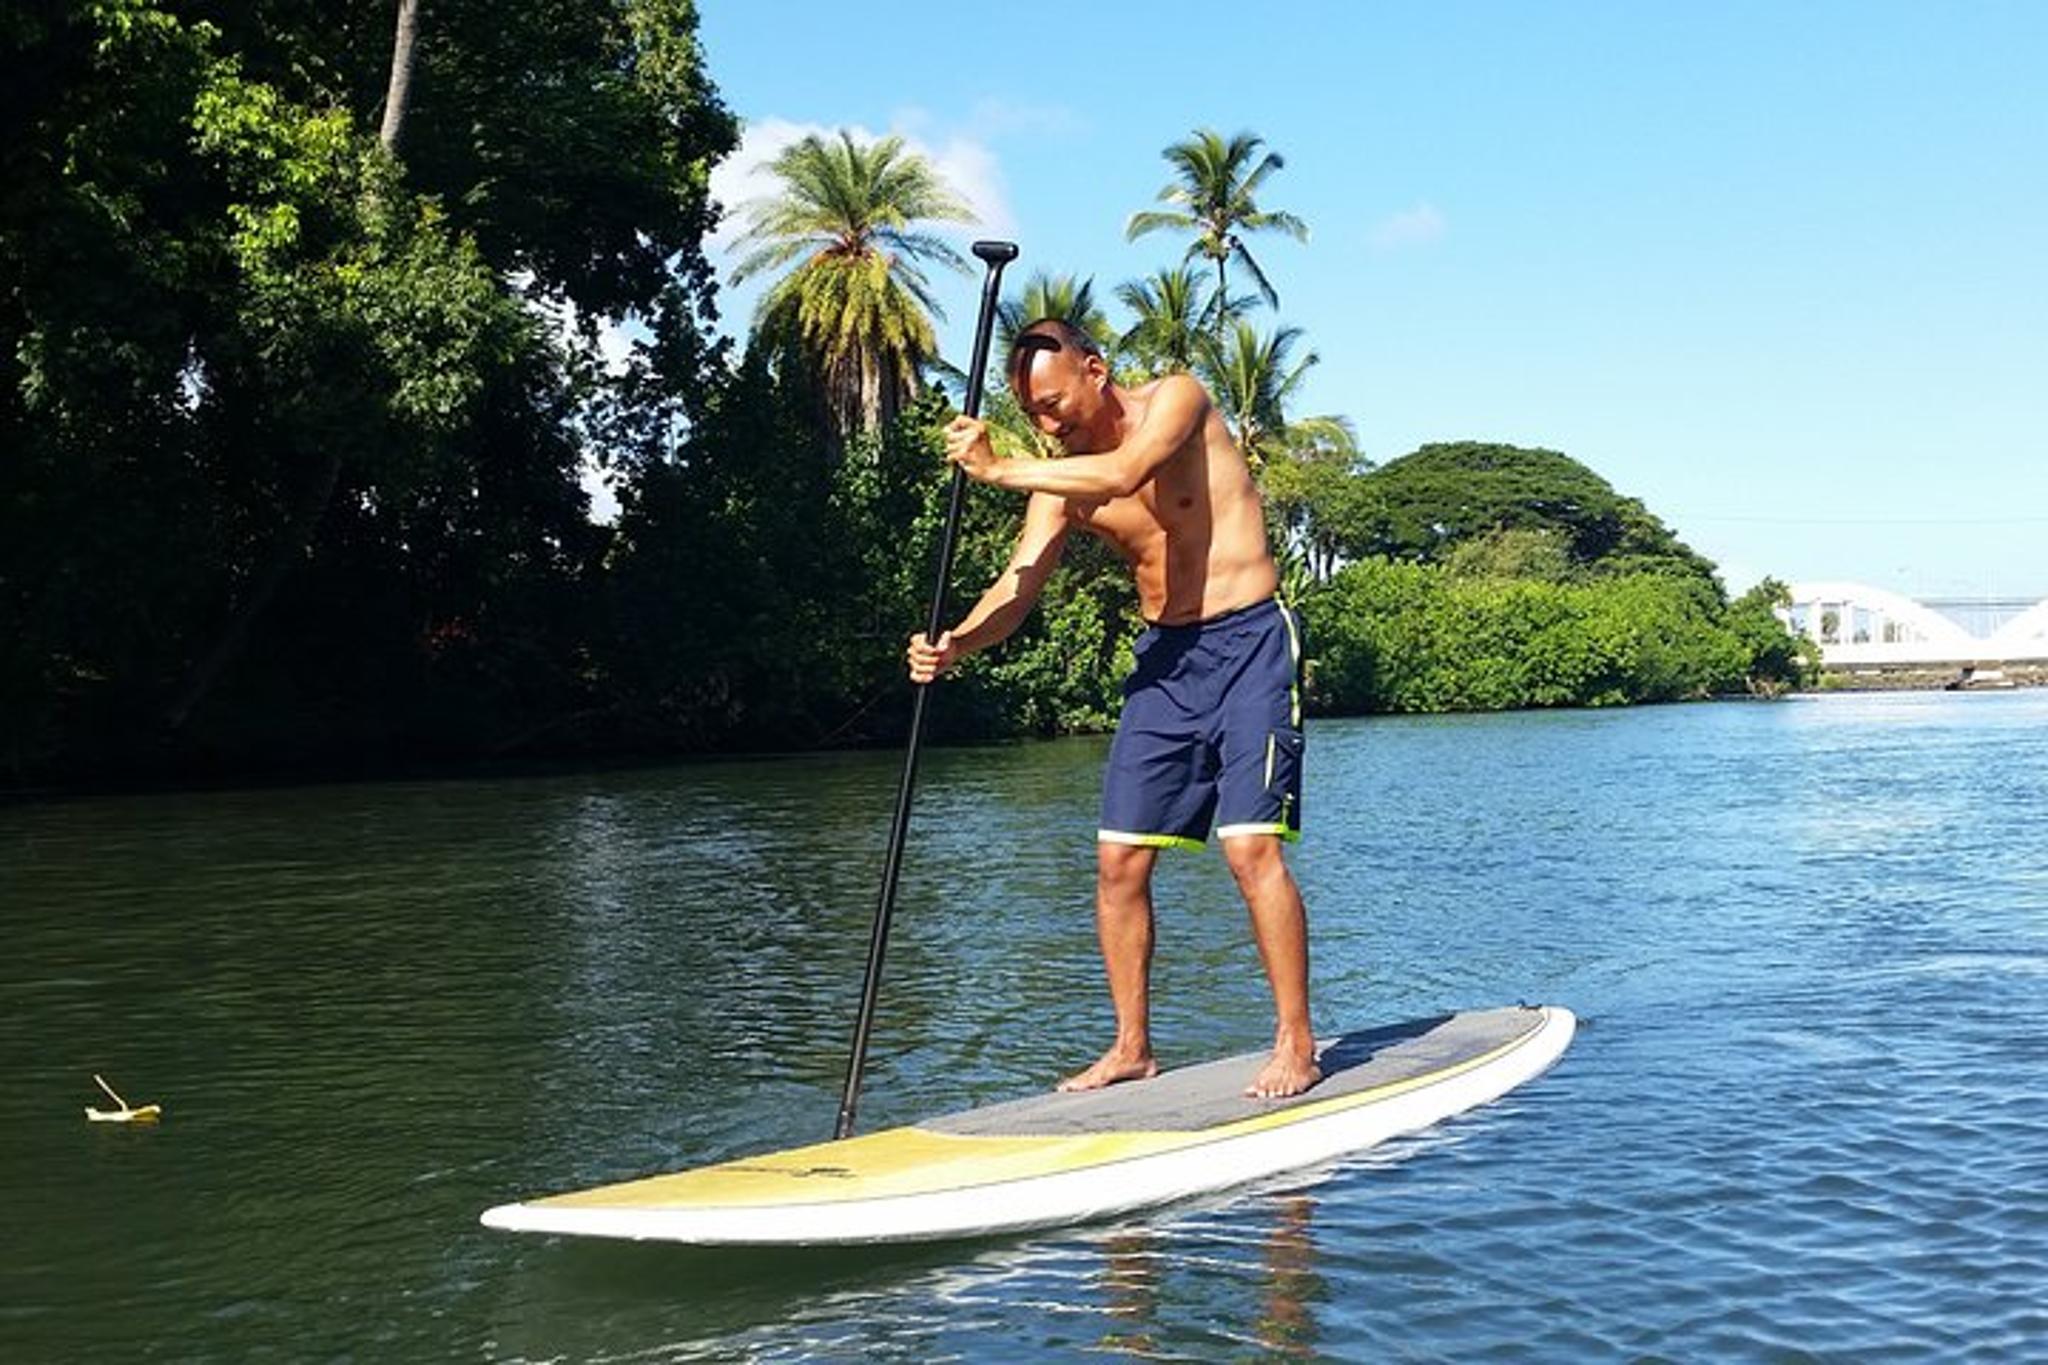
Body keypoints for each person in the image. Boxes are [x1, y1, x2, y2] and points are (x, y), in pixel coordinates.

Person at [906, 318, 1319, 1099]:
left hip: (1251, 643)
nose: (1048, 423)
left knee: (1248, 848)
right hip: (1165, 663)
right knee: (1118, 860)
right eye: (1032, 415)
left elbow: (1128, 471)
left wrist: (999, 469)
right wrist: (955, 643)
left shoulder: (1179, 400)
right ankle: (1131, 1047)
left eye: (1056, 403)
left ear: (1096, 369)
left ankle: (1295, 1041)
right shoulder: (1063, 483)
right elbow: (1017, 587)